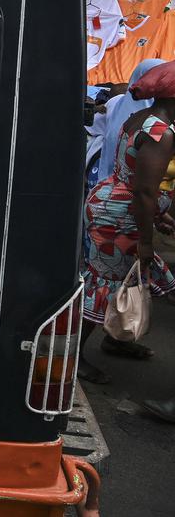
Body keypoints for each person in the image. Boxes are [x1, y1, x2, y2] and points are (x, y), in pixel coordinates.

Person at [80, 61, 175, 385]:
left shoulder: (142, 117)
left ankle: (117, 338)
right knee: (104, 287)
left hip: (113, 207)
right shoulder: (161, 133)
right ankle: (71, 356)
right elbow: (145, 190)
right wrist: (146, 242)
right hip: (120, 218)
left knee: (122, 283)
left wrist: (157, 217)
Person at [86, 59, 165, 189]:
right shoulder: (158, 123)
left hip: (102, 187)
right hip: (129, 195)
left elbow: (91, 126)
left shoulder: (115, 104)